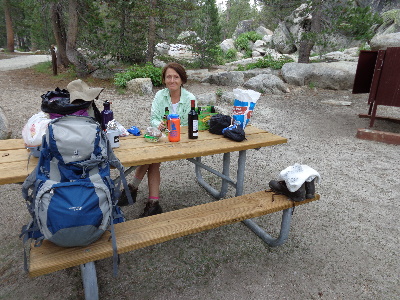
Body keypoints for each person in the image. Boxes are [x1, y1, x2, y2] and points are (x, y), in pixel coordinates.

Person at [119, 62, 196, 217]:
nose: (172, 80)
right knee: (153, 158)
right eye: (169, 77)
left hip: (181, 140)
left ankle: (133, 189)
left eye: (176, 77)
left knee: (152, 157)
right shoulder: (160, 95)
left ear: (182, 80)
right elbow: (153, 118)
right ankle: (153, 202)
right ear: (164, 79)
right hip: (162, 137)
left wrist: (173, 130)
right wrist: (158, 124)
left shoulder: (190, 98)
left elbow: (190, 124)